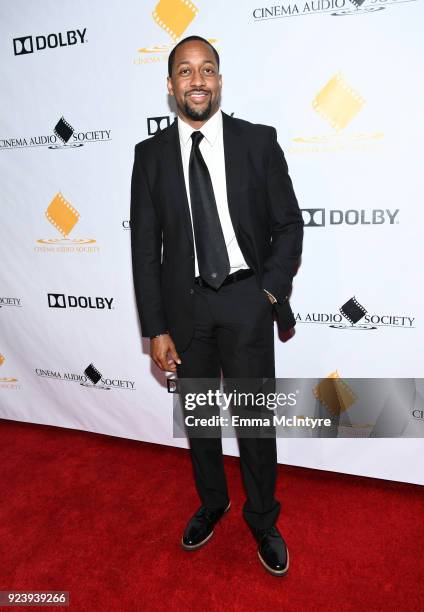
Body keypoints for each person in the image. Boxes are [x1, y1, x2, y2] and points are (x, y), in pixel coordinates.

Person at [130, 35, 303, 576]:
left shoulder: (257, 142)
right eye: (185, 71)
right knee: (200, 418)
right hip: (187, 311)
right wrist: (154, 327)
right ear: (170, 85)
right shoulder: (150, 155)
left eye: (207, 70)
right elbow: (145, 248)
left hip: (247, 300)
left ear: (220, 80)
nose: (197, 81)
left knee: (254, 421)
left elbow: (288, 225)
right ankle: (212, 501)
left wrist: (268, 293)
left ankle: (263, 518)